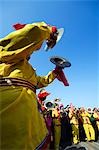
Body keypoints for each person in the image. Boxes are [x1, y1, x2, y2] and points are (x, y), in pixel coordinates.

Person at [0, 21, 69, 149]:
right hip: (10, 121)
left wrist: (55, 72)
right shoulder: (6, 56)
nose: (31, 52)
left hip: (32, 127)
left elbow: (40, 82)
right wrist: (49, 31)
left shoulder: (27, 68)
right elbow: (31, 34)